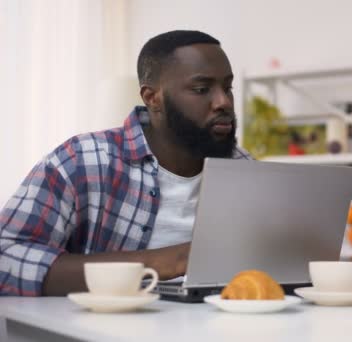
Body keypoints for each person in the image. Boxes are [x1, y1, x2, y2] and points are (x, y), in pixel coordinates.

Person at [0, 30, 251, 296]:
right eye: (202, 89)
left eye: (228, 88)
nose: (224, 102)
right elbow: (6, 257)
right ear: (152, 98)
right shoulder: (81, 161)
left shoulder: (245, 169)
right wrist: (169, 260)